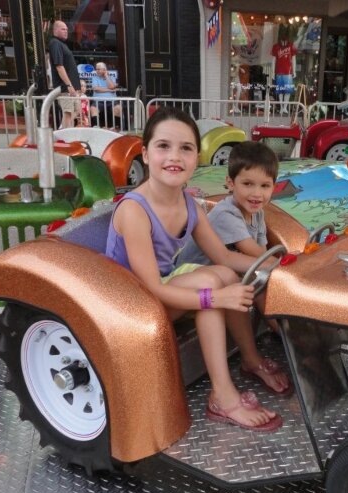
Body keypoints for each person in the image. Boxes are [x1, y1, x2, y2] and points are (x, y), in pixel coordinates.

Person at [104, 107, 290, 432]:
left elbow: (226, 257)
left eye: (186, 148)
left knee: (224, 274)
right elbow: (152, 289)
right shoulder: (135, 210)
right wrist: (216, 299)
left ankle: (249, 358)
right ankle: (223, 397)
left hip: (159, 290)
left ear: (196, 158)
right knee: (212, 282)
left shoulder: (188, 203)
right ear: (145, 154)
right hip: (129, 305)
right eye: (164, 146)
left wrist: (282, 267)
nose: (174, 156)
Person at [176, 141, 284, 336]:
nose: (256, 194)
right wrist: (284, 265)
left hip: (222, 273)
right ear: (231, 182)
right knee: (259, 279)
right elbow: (255, 252)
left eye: (265, 186)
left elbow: (263, 251)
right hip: (193, 281)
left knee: (264, 277)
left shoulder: (257, 213)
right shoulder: (227, 213)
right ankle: (284, 334)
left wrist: (280, 265)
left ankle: (287, 329)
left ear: (273, 187)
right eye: (248, 184)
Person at [48, 20, 81, 129]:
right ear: (55, 30)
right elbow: (59, 66)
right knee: (68, 113)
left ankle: (65, 132)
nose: (66, 31)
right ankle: (65, 138)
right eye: (63, 29)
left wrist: (76, 87)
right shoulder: (55, 43)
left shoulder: (62, 44)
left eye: (67, 29)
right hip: (65, 87)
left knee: (75, 111)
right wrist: (69, 85)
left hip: (71, 88)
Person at [271, 33, 297, 115]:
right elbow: (273, 60)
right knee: (280, 91)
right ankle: (282, 107)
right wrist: (272, 72)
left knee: (287, 91)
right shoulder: (276, 47)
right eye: (282, 40)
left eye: (285, 40)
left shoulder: (291, 46)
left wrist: (294, 70)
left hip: (288, 72)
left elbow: (294, 59)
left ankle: (285, 107)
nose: (283, 42)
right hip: (279, 72)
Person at [91, 62, 122, 129]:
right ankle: (96, 127)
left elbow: (112, 86)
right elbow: (96, 89)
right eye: (96, 69)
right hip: (98, 100)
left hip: (112, 100)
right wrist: (110, 90)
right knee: (93, 109)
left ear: (104, 70)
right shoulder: (94, 78)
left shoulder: (111, 77)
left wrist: (106, 76)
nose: (97, 71)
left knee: (118, 108)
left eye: (99, 69)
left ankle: (116, 127)